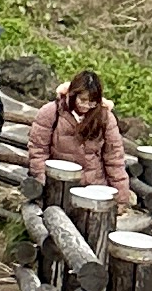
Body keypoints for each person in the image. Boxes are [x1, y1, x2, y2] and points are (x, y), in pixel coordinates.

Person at [37, 65, 128, 206]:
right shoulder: (52, 112)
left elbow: (114, 159)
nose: (86, 106)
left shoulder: (105, 118)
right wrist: (42, 182)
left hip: (93, 189)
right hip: (60, 188)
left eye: (92, 102)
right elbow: (38, 150)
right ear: (74, 95)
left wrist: (121, 199)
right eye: (83, 100)